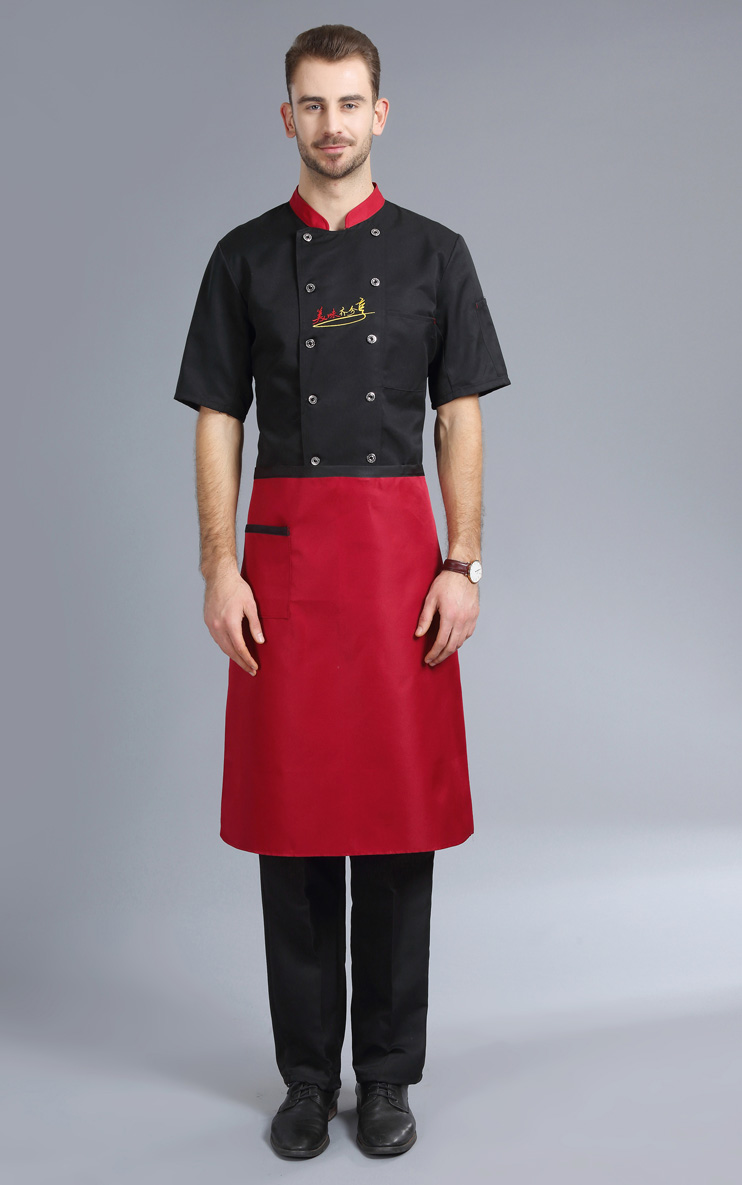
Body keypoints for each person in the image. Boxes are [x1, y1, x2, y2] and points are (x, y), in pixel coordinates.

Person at [172, 23, 510, 1159]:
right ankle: (308, 1079)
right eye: (311, 104)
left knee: (398, 830)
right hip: (285, 564)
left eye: (349, 102)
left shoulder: (437, 255)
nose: (331, 124)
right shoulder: (241, 258)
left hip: (398, 565)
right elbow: (218, 419)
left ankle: (390, 1076)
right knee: (296, 830)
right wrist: (219, 564)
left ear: (380, 114)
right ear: (287, 117)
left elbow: (460, 416)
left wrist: (462, 561)